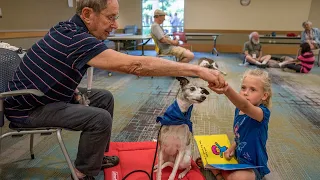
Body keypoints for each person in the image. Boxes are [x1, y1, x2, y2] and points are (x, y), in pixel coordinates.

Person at [3, 0, 226, 179]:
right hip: (30, 108)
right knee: (99, 118)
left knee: (104, 97)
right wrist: (197, 71)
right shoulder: (77, 39)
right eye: (110, 18)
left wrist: (73, 91)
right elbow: (135, 65)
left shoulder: (68, 29)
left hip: (46, 96)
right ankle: (83, 172)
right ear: (88, 14)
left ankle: (96, 157)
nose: (115, 25)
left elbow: (54, 70)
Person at [208, 69, 272, 180]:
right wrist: (232, 148)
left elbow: (245, 106)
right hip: (239, 157)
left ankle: (219, 175)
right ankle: (223, 173)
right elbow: (240, 135)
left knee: (237, 177)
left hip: (254, 165)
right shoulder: (238, 110)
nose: (246, 92)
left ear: (264, 96)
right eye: (243, 88)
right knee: (208, 156)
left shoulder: (262, 113)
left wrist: (226, 90)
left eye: (253, 90)